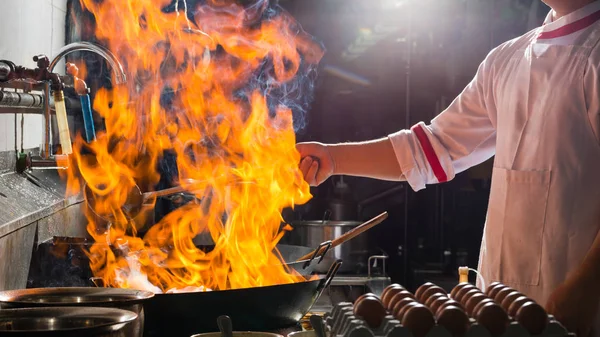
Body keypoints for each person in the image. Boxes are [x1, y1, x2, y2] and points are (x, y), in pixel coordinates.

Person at [297, 0, 600, 336]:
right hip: (498, 309)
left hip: (578, 310)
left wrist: (584, 292)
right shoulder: (506, 60)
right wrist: (333, 159)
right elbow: (432, 149)